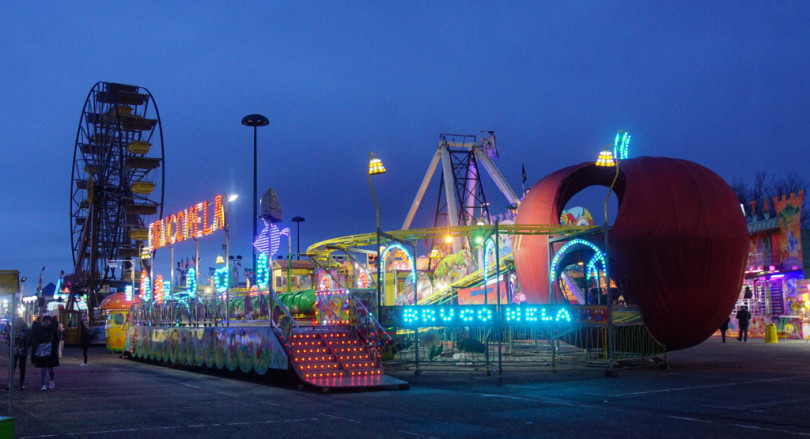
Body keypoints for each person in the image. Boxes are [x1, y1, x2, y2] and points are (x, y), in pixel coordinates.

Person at [31, 315, 59, 390]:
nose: (45, 323)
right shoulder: (40, 329)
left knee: (50, 368)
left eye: (47, 321)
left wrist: (54, 349)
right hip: (42, 351)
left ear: (50, 322)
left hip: (50, 351)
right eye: (44, 321)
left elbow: (56, 341)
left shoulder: (53, 330)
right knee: (43, 368)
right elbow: (36, 339)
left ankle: (51, 381)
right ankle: (43, 384)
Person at [7, 317, 31, 389]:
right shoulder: (13, 329)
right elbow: (9, 338)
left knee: (22, 367)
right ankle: (10, 383)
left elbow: (27, 339)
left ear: (22, 323)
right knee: (12, 367)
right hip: (14, 350)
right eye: (17, 323)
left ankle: (21, 384)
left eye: (19, 323)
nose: (17, 324)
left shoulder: (26, 330)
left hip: (23, 351)